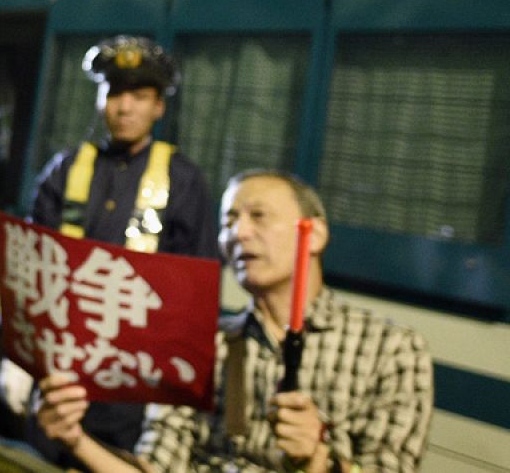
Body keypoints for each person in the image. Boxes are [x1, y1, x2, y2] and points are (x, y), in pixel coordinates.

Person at [37, 171, 434, 472]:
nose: (238, 233)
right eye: (229, 221)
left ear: (313, 235)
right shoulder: (202, 347)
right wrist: (76, 439)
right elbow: (159, 465)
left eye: (259, 216)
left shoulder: (391, 350)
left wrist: (317, 458)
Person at [16, 35, 217, 461]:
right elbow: (30, 266)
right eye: (114, 93)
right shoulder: (65, 168)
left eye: (140, 96)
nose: (125, 108)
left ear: (159, 106)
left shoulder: (185, 182)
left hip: (133, 387)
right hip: (59, 371)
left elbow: (194, 293)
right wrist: (15, 359)